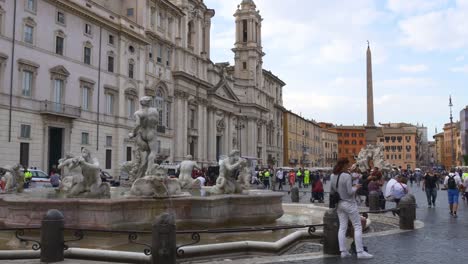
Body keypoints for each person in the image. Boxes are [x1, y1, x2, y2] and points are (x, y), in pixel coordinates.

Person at [330, 158, 373, 259]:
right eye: (347, 164)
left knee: (342, 227)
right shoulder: (346, 175)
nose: (348, 166)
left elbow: (332, 190)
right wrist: (356, 187)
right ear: (344, 165)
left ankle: (343, 252)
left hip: (339, 204)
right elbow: (350, 191)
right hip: (349, 203)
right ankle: (360, 252)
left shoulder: (333, 175)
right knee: (357, 226)